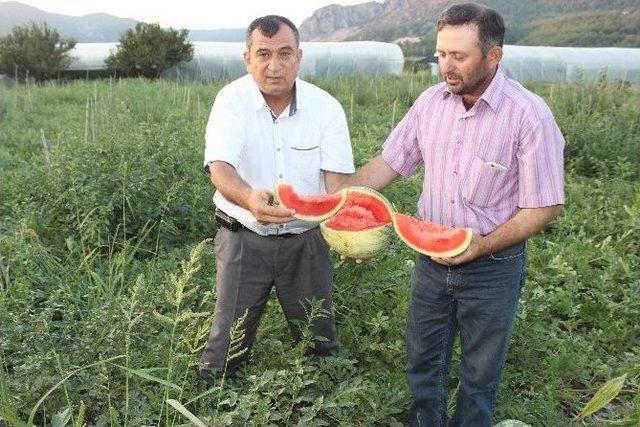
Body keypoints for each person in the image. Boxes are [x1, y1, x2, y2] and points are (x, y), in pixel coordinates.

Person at [333, 3, 565, 426]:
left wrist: (484, 244)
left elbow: (544, 204)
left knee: (480, 374)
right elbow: (387, 165)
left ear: (493, 55)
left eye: (459, 56)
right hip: (430, 264)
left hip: (494, 264)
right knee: (423, 361)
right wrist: (336, 203)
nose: (446, 65)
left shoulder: (529, 116)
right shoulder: (430, 103)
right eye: (441, 54)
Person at [199, 15, 355, 386]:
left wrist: (349, 229)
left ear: (299, 57)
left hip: (306, 243)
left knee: (319, 342)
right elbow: (219, 167)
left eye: (285, 53)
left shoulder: (326, 107)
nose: (275, 65)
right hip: (242, 236)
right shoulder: (231, 101)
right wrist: (250, 197)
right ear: (247, 58)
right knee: (226, 348)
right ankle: (214, 405)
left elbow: (337, 188)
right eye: (264, 54)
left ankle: (327, 408)